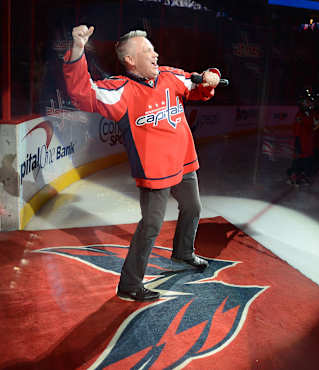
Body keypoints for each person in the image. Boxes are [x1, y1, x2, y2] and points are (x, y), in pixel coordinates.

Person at [63, 25, 221, 301]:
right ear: (130, 60)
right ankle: (130, 284)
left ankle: (183, 253)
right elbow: (82, 93)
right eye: (148, 51)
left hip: (184, 162)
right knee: (151, 225)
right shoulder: (121, 91)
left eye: (154, 49)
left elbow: (199, 86)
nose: (156, 54)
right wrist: (78, 49)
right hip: (155, 173)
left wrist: (212, 77)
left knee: (193, 207)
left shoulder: (170, 76)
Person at [286, 89, 315, 186]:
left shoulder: (309, 114)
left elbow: (310, 125)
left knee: (306, 159)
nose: (309, 104)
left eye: (309, 102)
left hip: (307, 142)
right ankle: (294, 175)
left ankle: (302, 175)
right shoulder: (300, 115)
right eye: (306, 102)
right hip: (301, 141)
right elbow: (297, 129)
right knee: (298, 159)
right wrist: (298, 141)